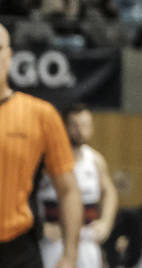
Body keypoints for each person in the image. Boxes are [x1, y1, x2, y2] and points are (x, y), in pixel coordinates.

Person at [0, 24, 81, 268]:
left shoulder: (41, 115)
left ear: (9, 55)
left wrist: (70, 255)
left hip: (18, 251)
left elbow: (68, 190)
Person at [36, 105, 117, 268]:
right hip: (52, 238)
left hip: (86, 238)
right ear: (63, 126)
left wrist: (106, 222)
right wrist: (39, 227)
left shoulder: (95, 160)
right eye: (75, 125)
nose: (81, 131)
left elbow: (109, 191)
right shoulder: (43, 160)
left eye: (85, 125)